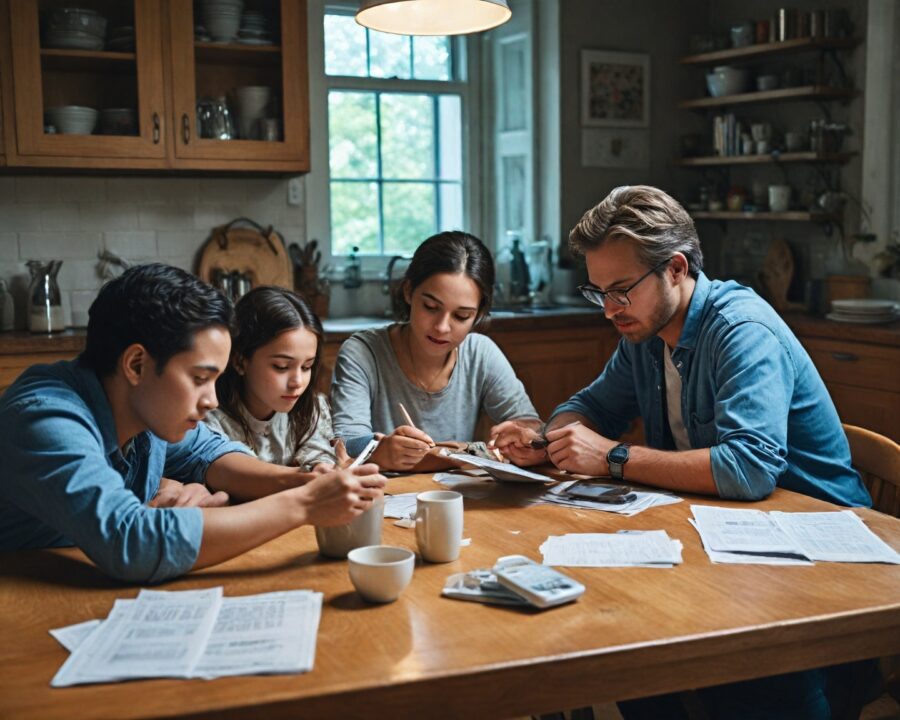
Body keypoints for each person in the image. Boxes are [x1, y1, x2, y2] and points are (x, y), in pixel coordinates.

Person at [492, 185, 872, 718]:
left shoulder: (741, 330)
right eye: (598, 291)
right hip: (726, 539)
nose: (609, 310)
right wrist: (548, 440)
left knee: (714, 672)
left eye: (621, 290)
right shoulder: (643, 332)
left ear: (675, 268)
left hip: (823, 561)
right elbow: (589, 406)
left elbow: (750, 469)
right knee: (621, 637)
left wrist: (612, 457)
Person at [0, 264, 385, 584]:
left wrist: (301, 481)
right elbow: (131, 542)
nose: (212, 400)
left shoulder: (145, 408)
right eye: (199, 379)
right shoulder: (44, 418)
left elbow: (211, 453)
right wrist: (304, 504)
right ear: (137, 364)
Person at [330, 231, 541, 471]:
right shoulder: (363, 353)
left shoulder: (481, 354)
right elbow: (345, 444)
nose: (442, 327)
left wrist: (525, 436)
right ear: (408, 291)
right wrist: (381, 452)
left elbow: (531, 426)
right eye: (430, 307)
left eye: (462, 316)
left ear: (479, 314)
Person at [204, 286, 341, 479]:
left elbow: (318, 454)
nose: (297, 382)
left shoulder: (312, 407)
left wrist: (319, 466)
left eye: (306, 366)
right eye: (281, 367)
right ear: (239, 361)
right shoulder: (209, 417)